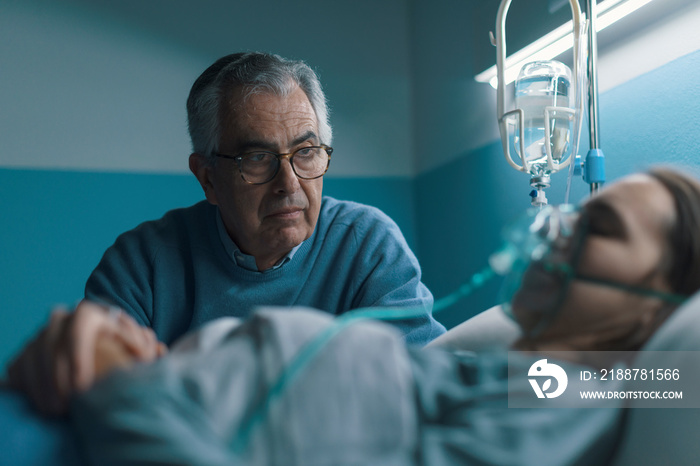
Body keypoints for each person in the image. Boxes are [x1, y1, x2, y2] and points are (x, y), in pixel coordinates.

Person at [67, 167, 700, 465]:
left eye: (602, 227)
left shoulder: (572, 395)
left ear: (660, 305)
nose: (555, 229)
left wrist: (120, 395)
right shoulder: (497, 375)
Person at [6, 52, 445, 416]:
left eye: (306, 152)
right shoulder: (141, 264)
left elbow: (436, 381)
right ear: (209, 178)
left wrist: (518, 370)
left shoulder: (366, 244)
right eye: (257, 158)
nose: (289, 184)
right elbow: (95, 392)